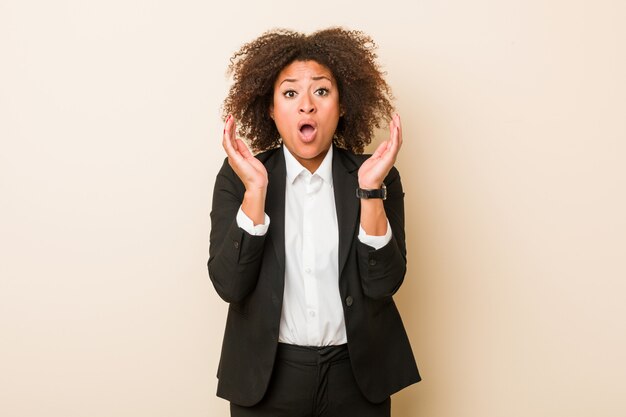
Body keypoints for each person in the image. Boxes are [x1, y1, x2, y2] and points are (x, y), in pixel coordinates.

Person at [208, 27, 420, 417]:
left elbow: (384, 283)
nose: (306, 105)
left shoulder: (377, 175)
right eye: (290, 93)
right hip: (268, 380)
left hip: (355, 381)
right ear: (270, 108)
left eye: (321, 91)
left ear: (342, 106)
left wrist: (370, 192)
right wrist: (255, 191)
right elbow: (229, 284)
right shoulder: (239, 176)